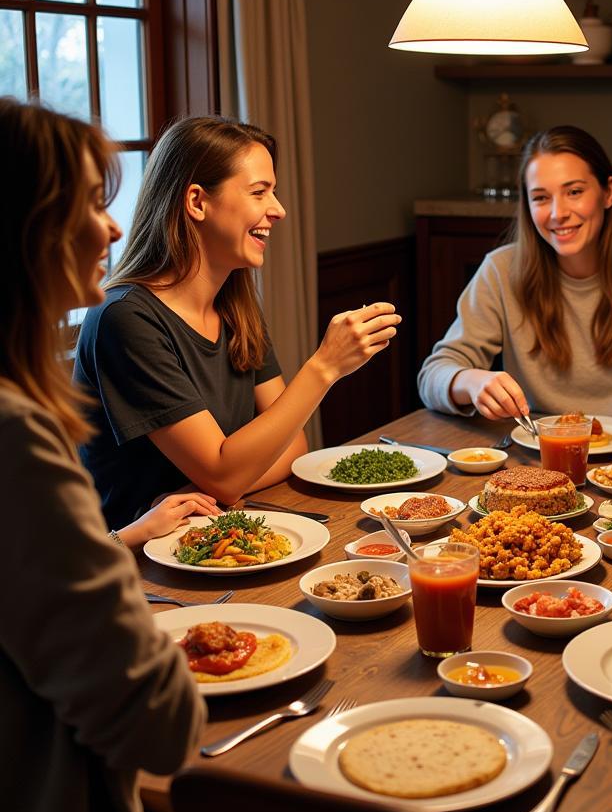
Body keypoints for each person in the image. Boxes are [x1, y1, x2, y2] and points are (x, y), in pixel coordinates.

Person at [0, 97, 208, 812]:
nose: (113, 229)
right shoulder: (16, 436)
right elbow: (156, 723)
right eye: (91, 203)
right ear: (27, 230)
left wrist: (114, 544)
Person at [75, 115, 402, 528]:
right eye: (259, 192)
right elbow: (227, 475)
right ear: (196, 202)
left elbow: (292, 446)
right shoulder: (125, 318)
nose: (279, 210)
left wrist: (216, 484)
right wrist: (325, 366)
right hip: (136, 570)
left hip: (216, 536)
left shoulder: (235, 305)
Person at [418, 125, 612, 425]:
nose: (558, 213)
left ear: (608, 192)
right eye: (541, 198)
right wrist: (470, 381)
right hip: (535, 459)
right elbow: (432, 377)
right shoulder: (500, 270)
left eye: (574, 192)